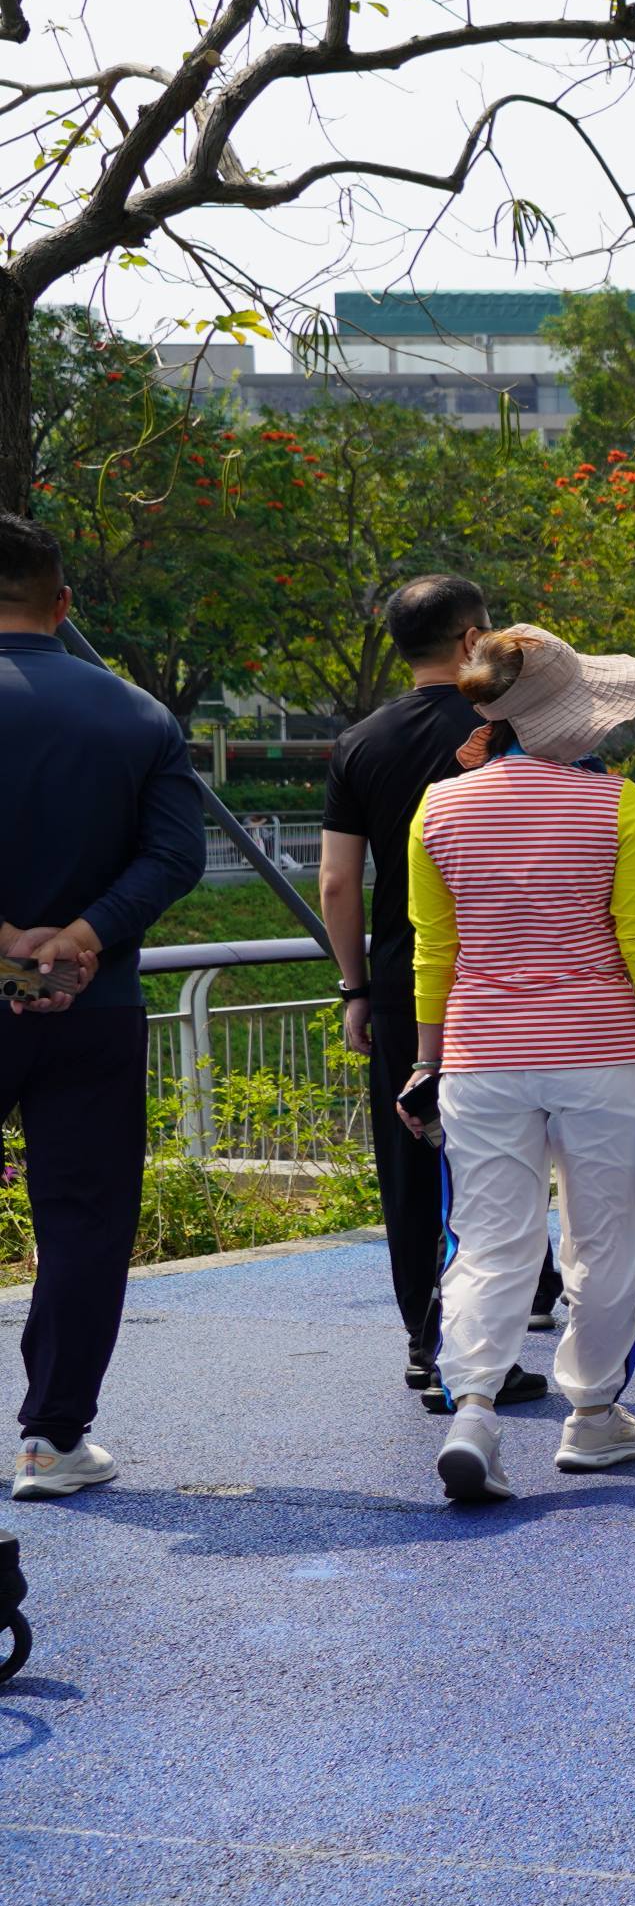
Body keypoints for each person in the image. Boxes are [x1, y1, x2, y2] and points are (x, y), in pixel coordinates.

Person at [403, 626, 635, 1502]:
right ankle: (594, 1415)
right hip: (598, 1054)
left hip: (481, 1055)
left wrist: (428, 1062)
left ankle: (473, 1413)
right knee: (606, 1239)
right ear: (568, 720)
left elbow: (436, 949)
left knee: (489, 1242)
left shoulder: (440, 808)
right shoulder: (617, 806)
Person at [0, 514, 203, 1502]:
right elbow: (176, 856)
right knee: (82, 1218)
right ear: (62, 602)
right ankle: (51, 1437)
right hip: (90, 998)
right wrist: (78, 935)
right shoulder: (136, 715)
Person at [324, 571, 546, 1409]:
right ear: (468, 643)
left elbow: (340, 884)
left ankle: (428, 1344)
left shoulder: (360, 743)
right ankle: (497, 1343)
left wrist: (355, 989)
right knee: (506, 1163)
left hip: (400, 978)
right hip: (507, 974)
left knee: (412, 1168)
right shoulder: (508, 724)